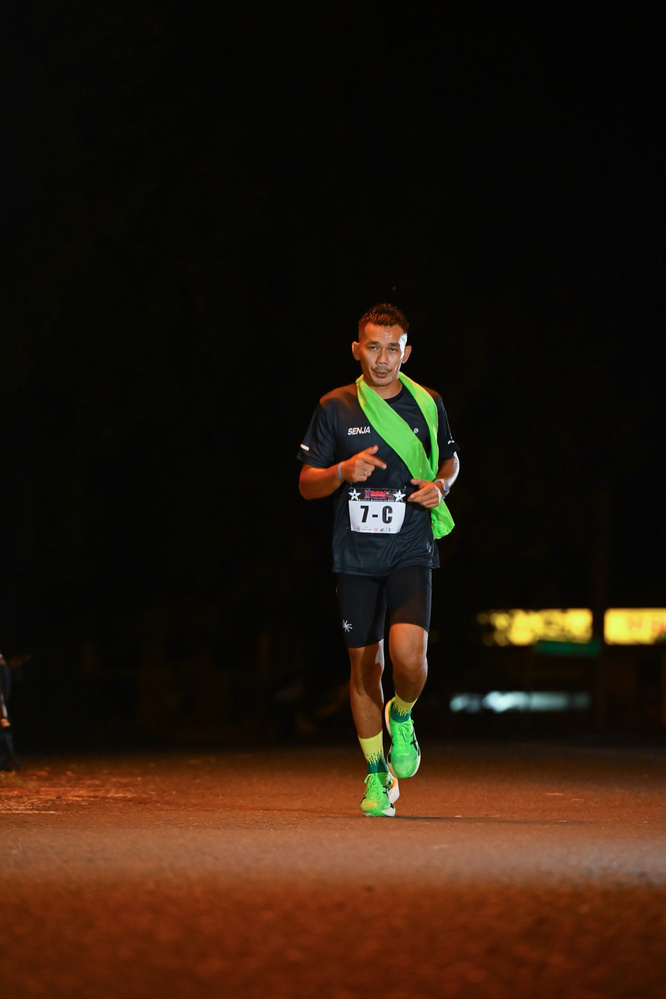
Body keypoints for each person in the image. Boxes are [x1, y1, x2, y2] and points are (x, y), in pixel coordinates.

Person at [297, 303, 460, 816]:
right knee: (365, 665)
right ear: (357, 350)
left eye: (393, 348)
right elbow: (306, 484)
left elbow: (451, 458)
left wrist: (441, 485)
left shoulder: (428, 403)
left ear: (406, 353)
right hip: (356, 555)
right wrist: (340, 472)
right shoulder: (335, 406)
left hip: (410, 545)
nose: (383, 359)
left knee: (409, 659)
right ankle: (375, 775)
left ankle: (403, 713)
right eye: (373, 347)